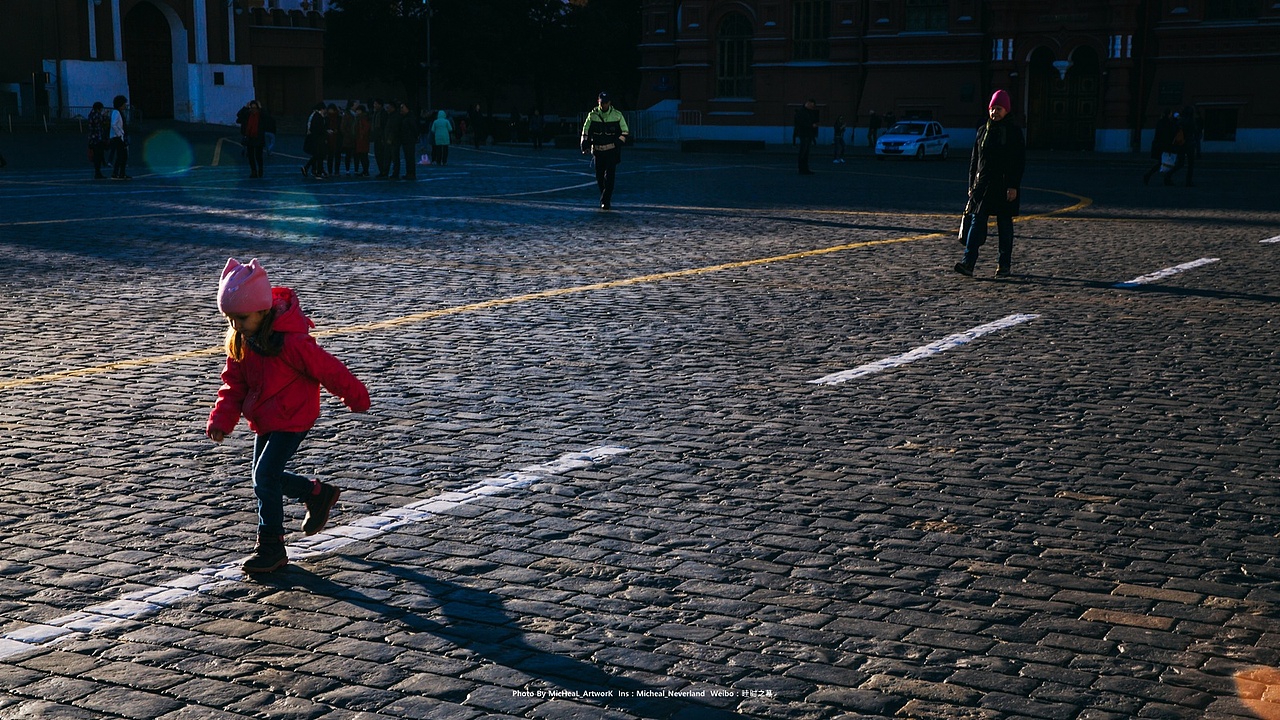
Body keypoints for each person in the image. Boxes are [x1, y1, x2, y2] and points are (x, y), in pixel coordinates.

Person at [207, 258, 370, 574]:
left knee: (264, 476)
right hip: (266, 419)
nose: (235, 325)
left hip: (294, 417)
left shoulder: (293, 342)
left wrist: (356, 395)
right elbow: (234, 386)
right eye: (230, 319)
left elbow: (329, 369)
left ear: (262, 311)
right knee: (264, 476)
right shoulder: (243, 342)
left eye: (241, 317)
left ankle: (271, 545)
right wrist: (221, 420)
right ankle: (316, 494)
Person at [954, 89, 1025, 279]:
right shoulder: (982, 130)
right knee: (976, 223)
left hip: (1004, 185)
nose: (995, 113)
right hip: (983, 186)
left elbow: (1018, 161)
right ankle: (968, 263)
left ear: (1006, 110)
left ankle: (1004, 265)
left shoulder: (1013, 132)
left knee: (1004, 225)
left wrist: (1013, 185)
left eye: (999, 109)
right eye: (993, 108)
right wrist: (971, 185)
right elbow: (974, 160)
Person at [580, 91, 630, 210]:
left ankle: (605, 200)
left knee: (610, 177)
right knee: (599, 176)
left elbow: (625, 131)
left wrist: (617, 143)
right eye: (602, 103)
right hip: (597, 151)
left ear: (609, 102)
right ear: (598, 102)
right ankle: (604, 196)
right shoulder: (592, 115)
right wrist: (584, 145)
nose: (604, 105)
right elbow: (585, 131)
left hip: (611, 151)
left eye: (606, 103)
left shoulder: (617, 115)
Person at [1166, 105, 1200, 187]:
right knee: (1190, 164)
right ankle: (1188, 181)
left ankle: (1168, 175)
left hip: (1181, 144)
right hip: (1189, 144)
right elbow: (1195, 133)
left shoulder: (1180, 121)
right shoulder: (1191, 121)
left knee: (1180, 163)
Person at [1142, 109, 1175, 185]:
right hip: (1165, 146)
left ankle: (1149, 175)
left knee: (1162, 162)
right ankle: (1166, 179)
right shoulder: (1168, 123)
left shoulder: (1160, 122)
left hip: (1160, 146)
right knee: (1166, 163)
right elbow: (1169, 134)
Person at [236, 100, 268, 178]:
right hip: (250, 138)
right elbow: (239, 115)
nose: (253, 109)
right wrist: (245, 107)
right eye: (252, 108)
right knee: (250, 156)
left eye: (255, 108)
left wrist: (261, 108)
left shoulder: (261, 115)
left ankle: (260, 169)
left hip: (258, 138)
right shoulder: (247, 114)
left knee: (258, 156)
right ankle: (253, 171)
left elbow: (267, 116)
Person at [302, 103, 327, 178]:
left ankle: (316, 170)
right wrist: (325, 132)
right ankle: (316, 171)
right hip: (317, 139)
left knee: (317, 155)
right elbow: (317, 128)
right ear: (322, 109)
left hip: (315, 139)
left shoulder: (314, 115)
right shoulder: (318, 116)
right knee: (318, 155)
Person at [794, 99, 819, 175]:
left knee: (806, 152)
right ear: (807, 103)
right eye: (812, 106)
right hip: (804, 134)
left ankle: (805, 168)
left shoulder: (807, 112)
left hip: (808, 134)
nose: (812, 107)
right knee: (803, 152)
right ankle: (802, 169)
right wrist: (811, 125)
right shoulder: (801, 112)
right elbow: (800, 123)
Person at [109, 95, 130, 180]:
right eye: (124, 104)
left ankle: (119, 173)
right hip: (118, 137)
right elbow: (114, 124)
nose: (125, 105)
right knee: (122, 155)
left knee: (121, 156)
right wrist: (120, 133)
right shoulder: (116, 112)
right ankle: (119, 173)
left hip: (118, 136)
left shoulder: (117, 112)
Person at [87, 101, 109, 179]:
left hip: (93, 138)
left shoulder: (91, 115)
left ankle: (98, 171)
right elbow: (102, 122)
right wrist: (105, 115)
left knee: (97, 156)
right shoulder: (96, 115)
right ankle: (98, 172)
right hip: (97, 138)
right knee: (98, 156)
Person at [396, 101, 417, 181]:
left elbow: (414, 128)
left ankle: (411, 173)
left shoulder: (409, 117)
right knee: (408, 157)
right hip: (406, 140)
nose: (401, 109)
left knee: (410, 157)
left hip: (409, 140)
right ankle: (409, 173)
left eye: (403, 107)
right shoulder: (405, 117)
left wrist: (414, 137)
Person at [353, 103, 371, 176]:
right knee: (362, 156)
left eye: (358, 111)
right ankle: (365, 170)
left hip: (362, 140)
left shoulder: (362, 119)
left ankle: (366, 171)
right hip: (360, 140)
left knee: (364, 156)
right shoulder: (359, 118)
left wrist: (361, 134)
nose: (356, 112)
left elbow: (366, 128)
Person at [340, 100, 357, 175]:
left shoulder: (355, 115)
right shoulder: (347, 115)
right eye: (355, 105)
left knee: (356, 154)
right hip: (349, 137)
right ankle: (347, 170)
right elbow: (343, 127)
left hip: (355, 137)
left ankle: (356, 170)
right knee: (348, 154)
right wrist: (348, 135)